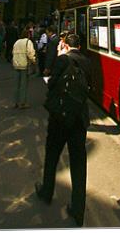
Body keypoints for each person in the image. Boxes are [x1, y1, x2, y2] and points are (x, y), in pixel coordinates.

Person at [35, 33, 92, 227]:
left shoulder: (63, 59)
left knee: (52, 154)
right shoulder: (87, 61)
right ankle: (78, 209)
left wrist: (59, 57)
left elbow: (51, 84)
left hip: (60, 116)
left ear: (66, 45)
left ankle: (47, 191)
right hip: (79, 118)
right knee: (78, 162)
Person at [12, 28, 36, 109]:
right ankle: (22, 102)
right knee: (23, 85)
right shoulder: (28, 42)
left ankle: (15, 102)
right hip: (24, 65)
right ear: (28, 35)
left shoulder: (16, 42)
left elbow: (13, 52)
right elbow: (30, 53)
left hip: (16, 64)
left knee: (16, 84)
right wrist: (34, 60)